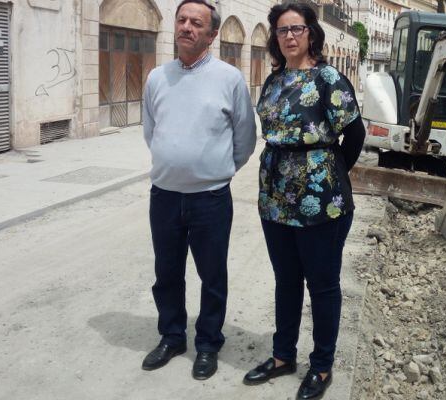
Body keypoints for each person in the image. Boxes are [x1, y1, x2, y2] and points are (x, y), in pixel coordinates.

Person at [242, 2, 365, 399]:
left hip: (321, 203)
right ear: (275, 38)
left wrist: (330, 174)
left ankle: (323, 366)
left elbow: (356, 134)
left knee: (323, 285)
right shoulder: (274, 81)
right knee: (286, 281)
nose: (289, 36)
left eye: (296, 28)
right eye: (281, 30)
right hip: (275, 201)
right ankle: (282, 356)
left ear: (311, 32)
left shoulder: (329, 78)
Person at [140, 0, 256, 380]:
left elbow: (245, 139)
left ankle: (207, 343)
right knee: (167, 273)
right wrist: (173, 162)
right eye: (182, 20)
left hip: (210, 199)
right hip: (165, 197)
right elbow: (150, 130)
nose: (187, 27)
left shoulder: (229, 78)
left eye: (197, 23)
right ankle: (172, 336)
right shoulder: (157, 77)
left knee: (212, 276)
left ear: (212, 34)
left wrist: (216, 171)